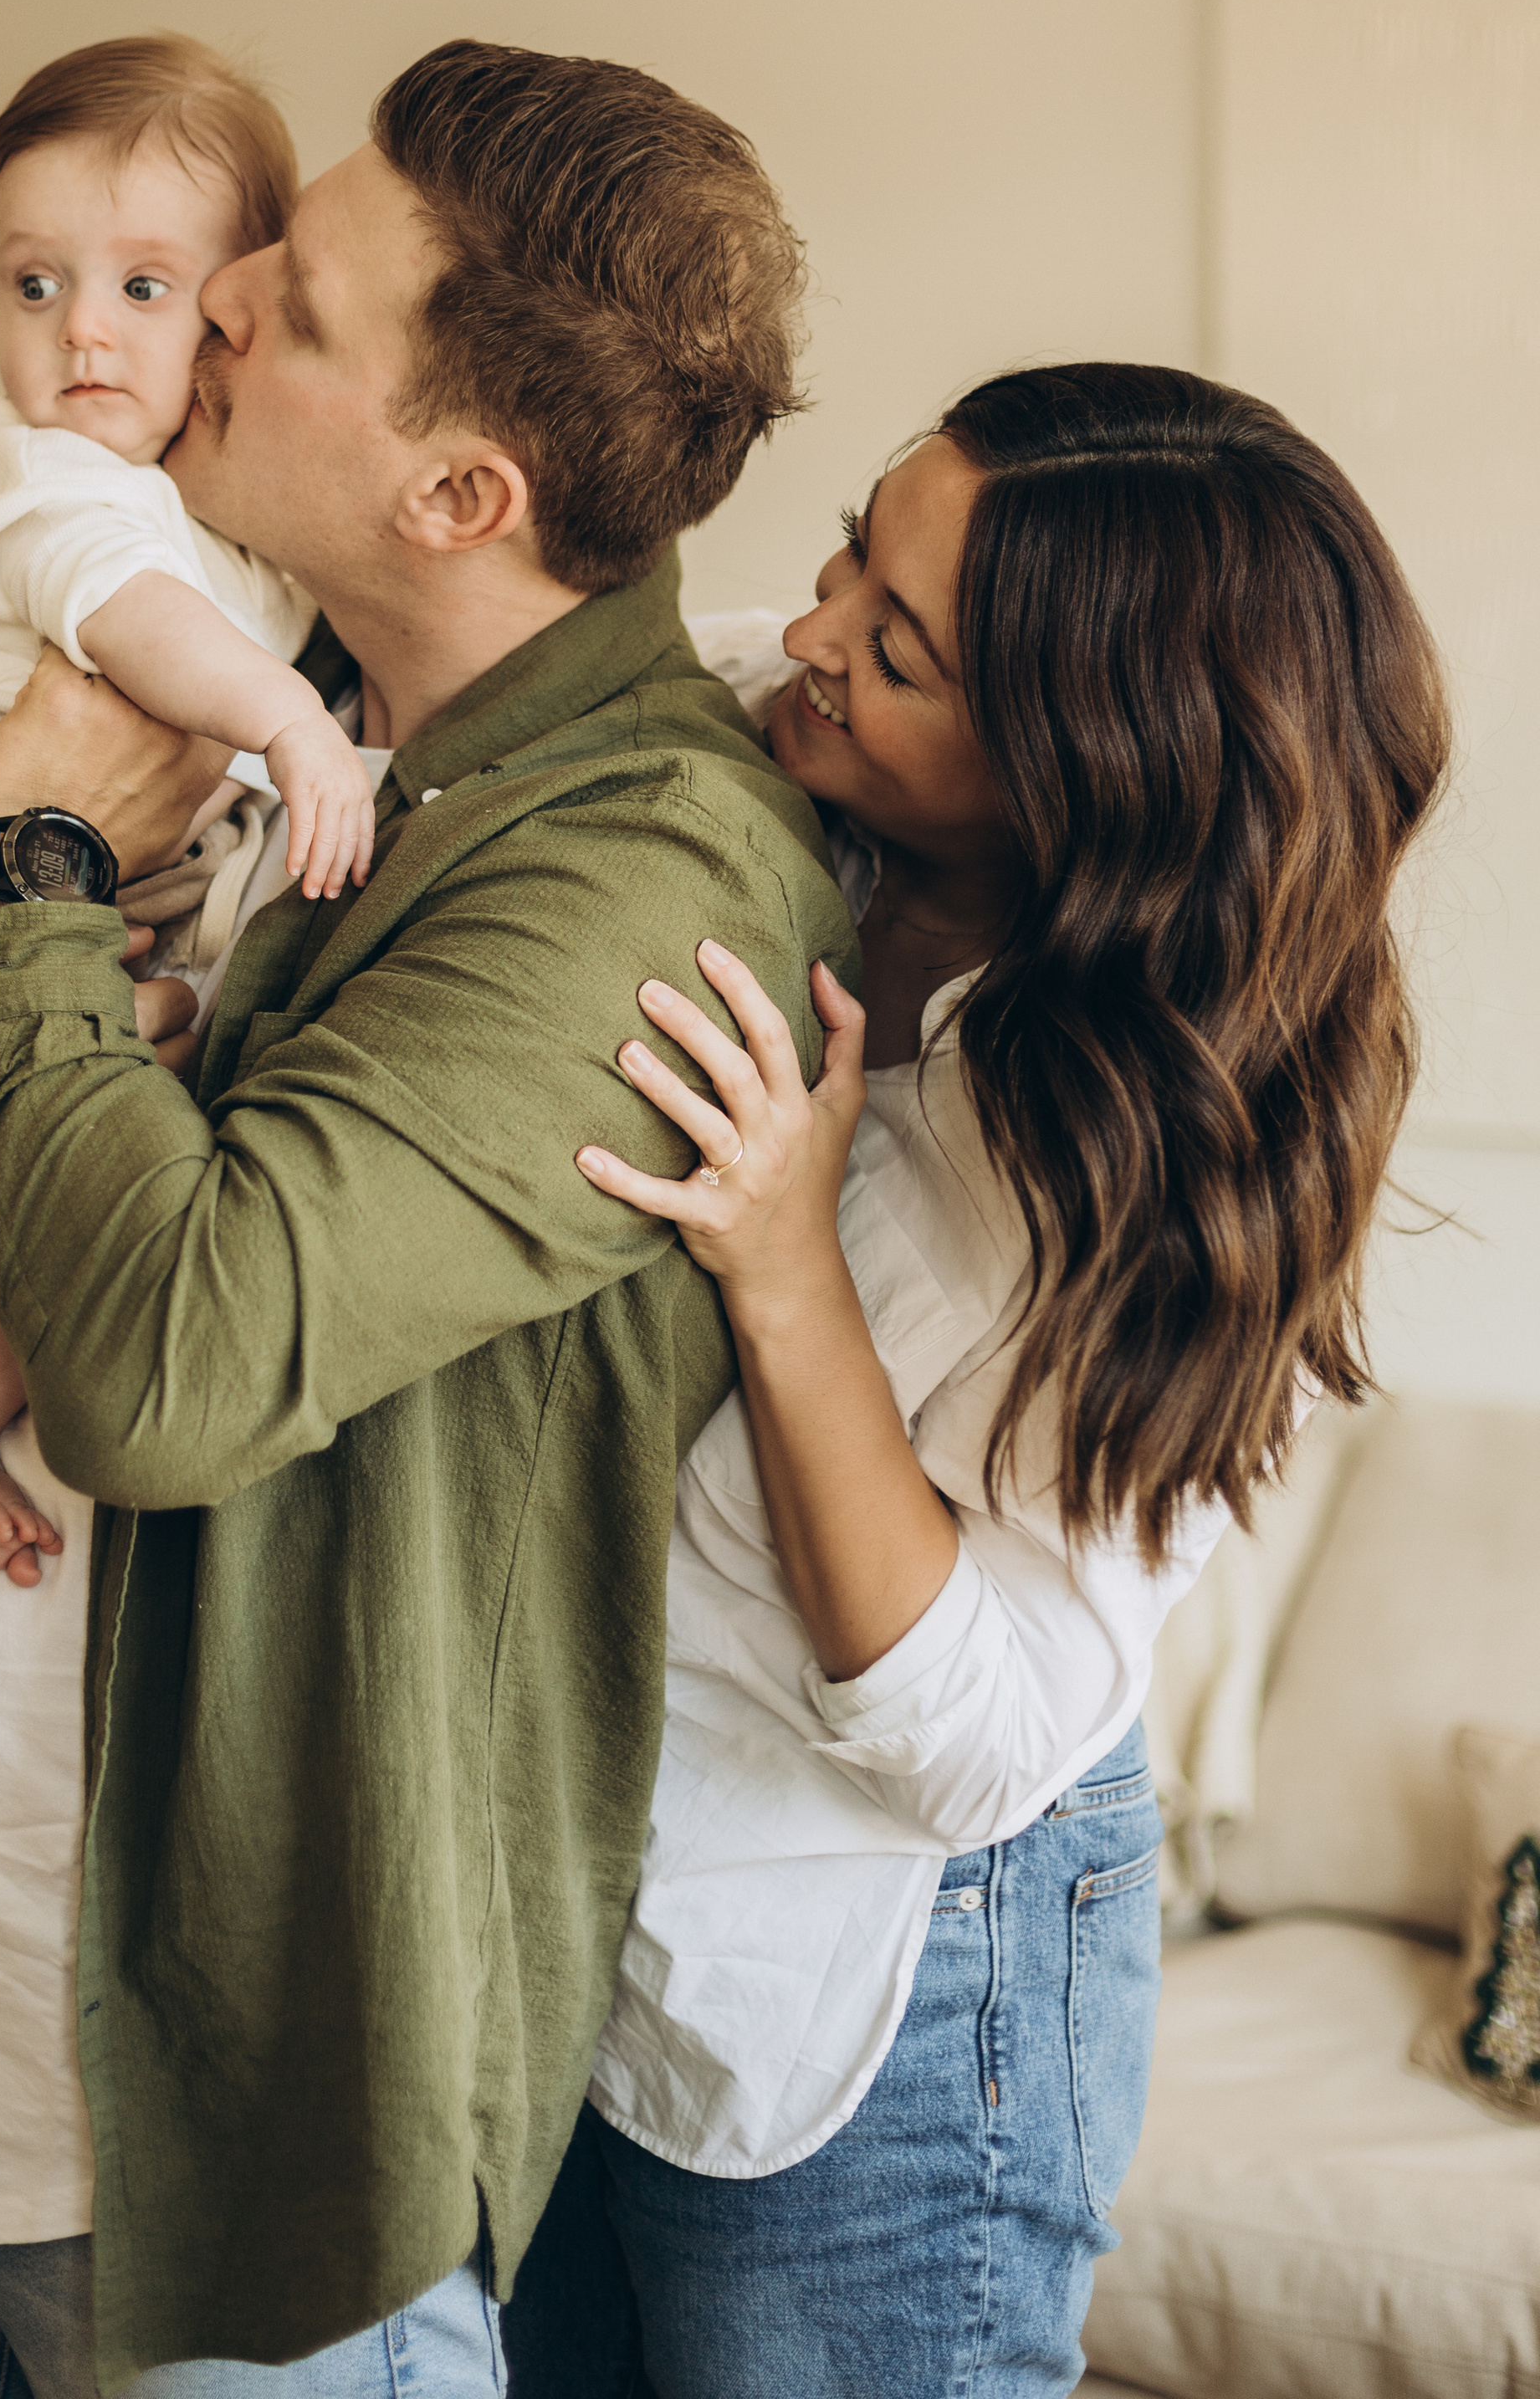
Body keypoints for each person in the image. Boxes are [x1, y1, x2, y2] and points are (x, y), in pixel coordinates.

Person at [0, 38, 862, 2396]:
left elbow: (166, 1365)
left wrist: (22, 867)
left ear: (460, 487)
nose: (207, 296)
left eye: (297, 302)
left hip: (221, 2150)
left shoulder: (639, 868)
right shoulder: (214, 680)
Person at [504, 363, 1451, 2398]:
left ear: (1073, 775)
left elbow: (973, 1745)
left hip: (910, 1967)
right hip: (611, 1880)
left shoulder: (1149, 1164)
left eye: (900, 648)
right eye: (860, 536)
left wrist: (783, 1267)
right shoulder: (789, 741)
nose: (815, 623)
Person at [0, 35, 373, 1585]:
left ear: (233, 305)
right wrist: (291, 721)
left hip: (19, 906)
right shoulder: (67, 484)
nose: (83, 335)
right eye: (35, 286)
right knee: (105, 1091)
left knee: (109, 1083)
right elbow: (128, 620)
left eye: (142, 289)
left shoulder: (215, 507)